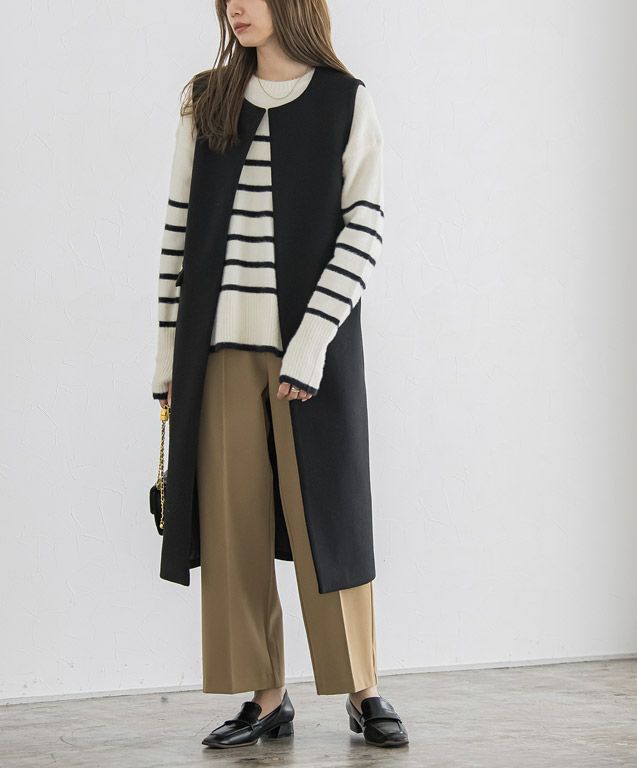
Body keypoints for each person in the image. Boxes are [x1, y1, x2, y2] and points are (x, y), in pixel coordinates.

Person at [151, 0, 408, 750]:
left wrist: (313, 340)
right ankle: (265, 696)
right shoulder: (207, 100)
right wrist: (168, 362)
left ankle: (363, 689)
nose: (237, 6)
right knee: (232, 526)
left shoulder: (344, 99)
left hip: (310, 354)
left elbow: (365, 225)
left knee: (330, 516)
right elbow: (177, 232)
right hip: (215, 353)